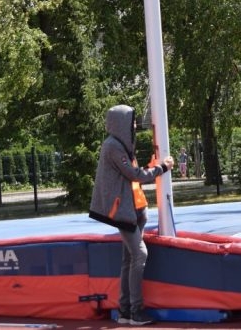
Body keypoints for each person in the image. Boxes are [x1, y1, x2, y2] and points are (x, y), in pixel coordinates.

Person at [89, 105, 174, 326]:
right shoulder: (113, 147)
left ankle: (125, 310)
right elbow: (134, 175)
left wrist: (152, 168)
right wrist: (161, 169)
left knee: (129, 259)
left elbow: (132, 176)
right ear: (121, 124)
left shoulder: (123, 146)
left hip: (134, 209)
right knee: (140, 255)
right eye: (132, 122)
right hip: (123, 212)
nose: (135, 125)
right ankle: (136, 311)